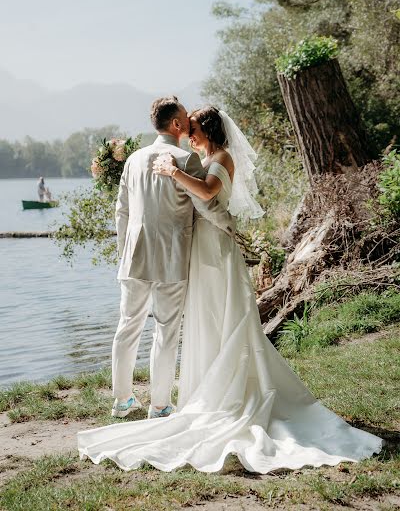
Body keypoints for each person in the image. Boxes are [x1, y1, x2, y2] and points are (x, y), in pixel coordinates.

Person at [78, 106, 382, 474]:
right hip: (187, 253)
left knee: (200, 318)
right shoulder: (194, 156)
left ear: (204, 130)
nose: (188, 133)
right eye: (185, 126)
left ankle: (135, 399)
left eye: (193, 128)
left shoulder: (208, 158)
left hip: (205, 252)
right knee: (182, 326)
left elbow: (198, 196)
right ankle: (167, 400)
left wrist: (171, 180)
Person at [106, 96, 234, 421]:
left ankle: (122, 401)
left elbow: (121, 211)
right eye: (184, 121)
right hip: (172, 258)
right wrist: (231, 225)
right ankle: (159, 405)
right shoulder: (185, 158)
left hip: (133, 256)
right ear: (176, 125)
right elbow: (206, 205)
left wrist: (125, 251)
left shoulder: (133, 160)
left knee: (127, 326)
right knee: (165, 332)